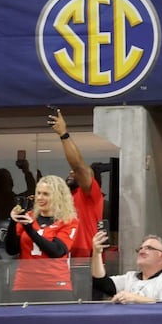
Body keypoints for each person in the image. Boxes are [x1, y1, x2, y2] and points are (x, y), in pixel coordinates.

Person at [3, 176, 79, 301]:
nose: (39, 198)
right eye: (38, 193)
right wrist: (13, 221)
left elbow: (57, 251)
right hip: (24, 285)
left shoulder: (68, 221)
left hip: (56, 286)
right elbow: (11, 250)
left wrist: (30, 229)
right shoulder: (28, 216)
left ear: (58, 197)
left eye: (45, 194)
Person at [47, 108, 105, 259]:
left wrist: (63, 134)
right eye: (70, 171)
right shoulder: (65, 197)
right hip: (62, 253)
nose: (72, 172)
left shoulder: (91, 194)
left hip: (85, 256)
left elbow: (78, 166)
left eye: (78, 174)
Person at [91, 229, 162, 303]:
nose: (141, 251)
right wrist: (97, 253)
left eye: (149, 248)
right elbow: (101, 283)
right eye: (140, 248)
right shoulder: (130, 277)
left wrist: (135, 298)